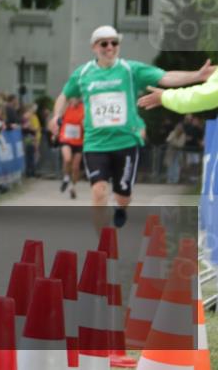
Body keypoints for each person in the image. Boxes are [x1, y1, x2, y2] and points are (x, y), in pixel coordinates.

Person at [49, 25, 214, 228]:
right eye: (104, 43)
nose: (110, 47)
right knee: (99, 191)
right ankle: (103, 247)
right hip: (95, 143)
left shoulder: (130, 69)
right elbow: (64, 95)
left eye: (114, 43)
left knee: (123, 195)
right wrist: (56, 115)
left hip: (125, 142)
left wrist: (196, 76)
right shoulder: (83, 74)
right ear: (94, 47)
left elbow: (165, 77)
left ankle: (121, 208)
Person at [55, 98, 84, 197]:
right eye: (73, 98)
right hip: (65, 139)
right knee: (67, 159)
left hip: (79, 141)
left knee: (76, 167)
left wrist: (84, 125)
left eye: (77, 98)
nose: (75, 100)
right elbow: (57, 118)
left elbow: (85, 123)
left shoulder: (83, 108)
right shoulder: (66, 108)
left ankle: (73, 187)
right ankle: (66, 178)